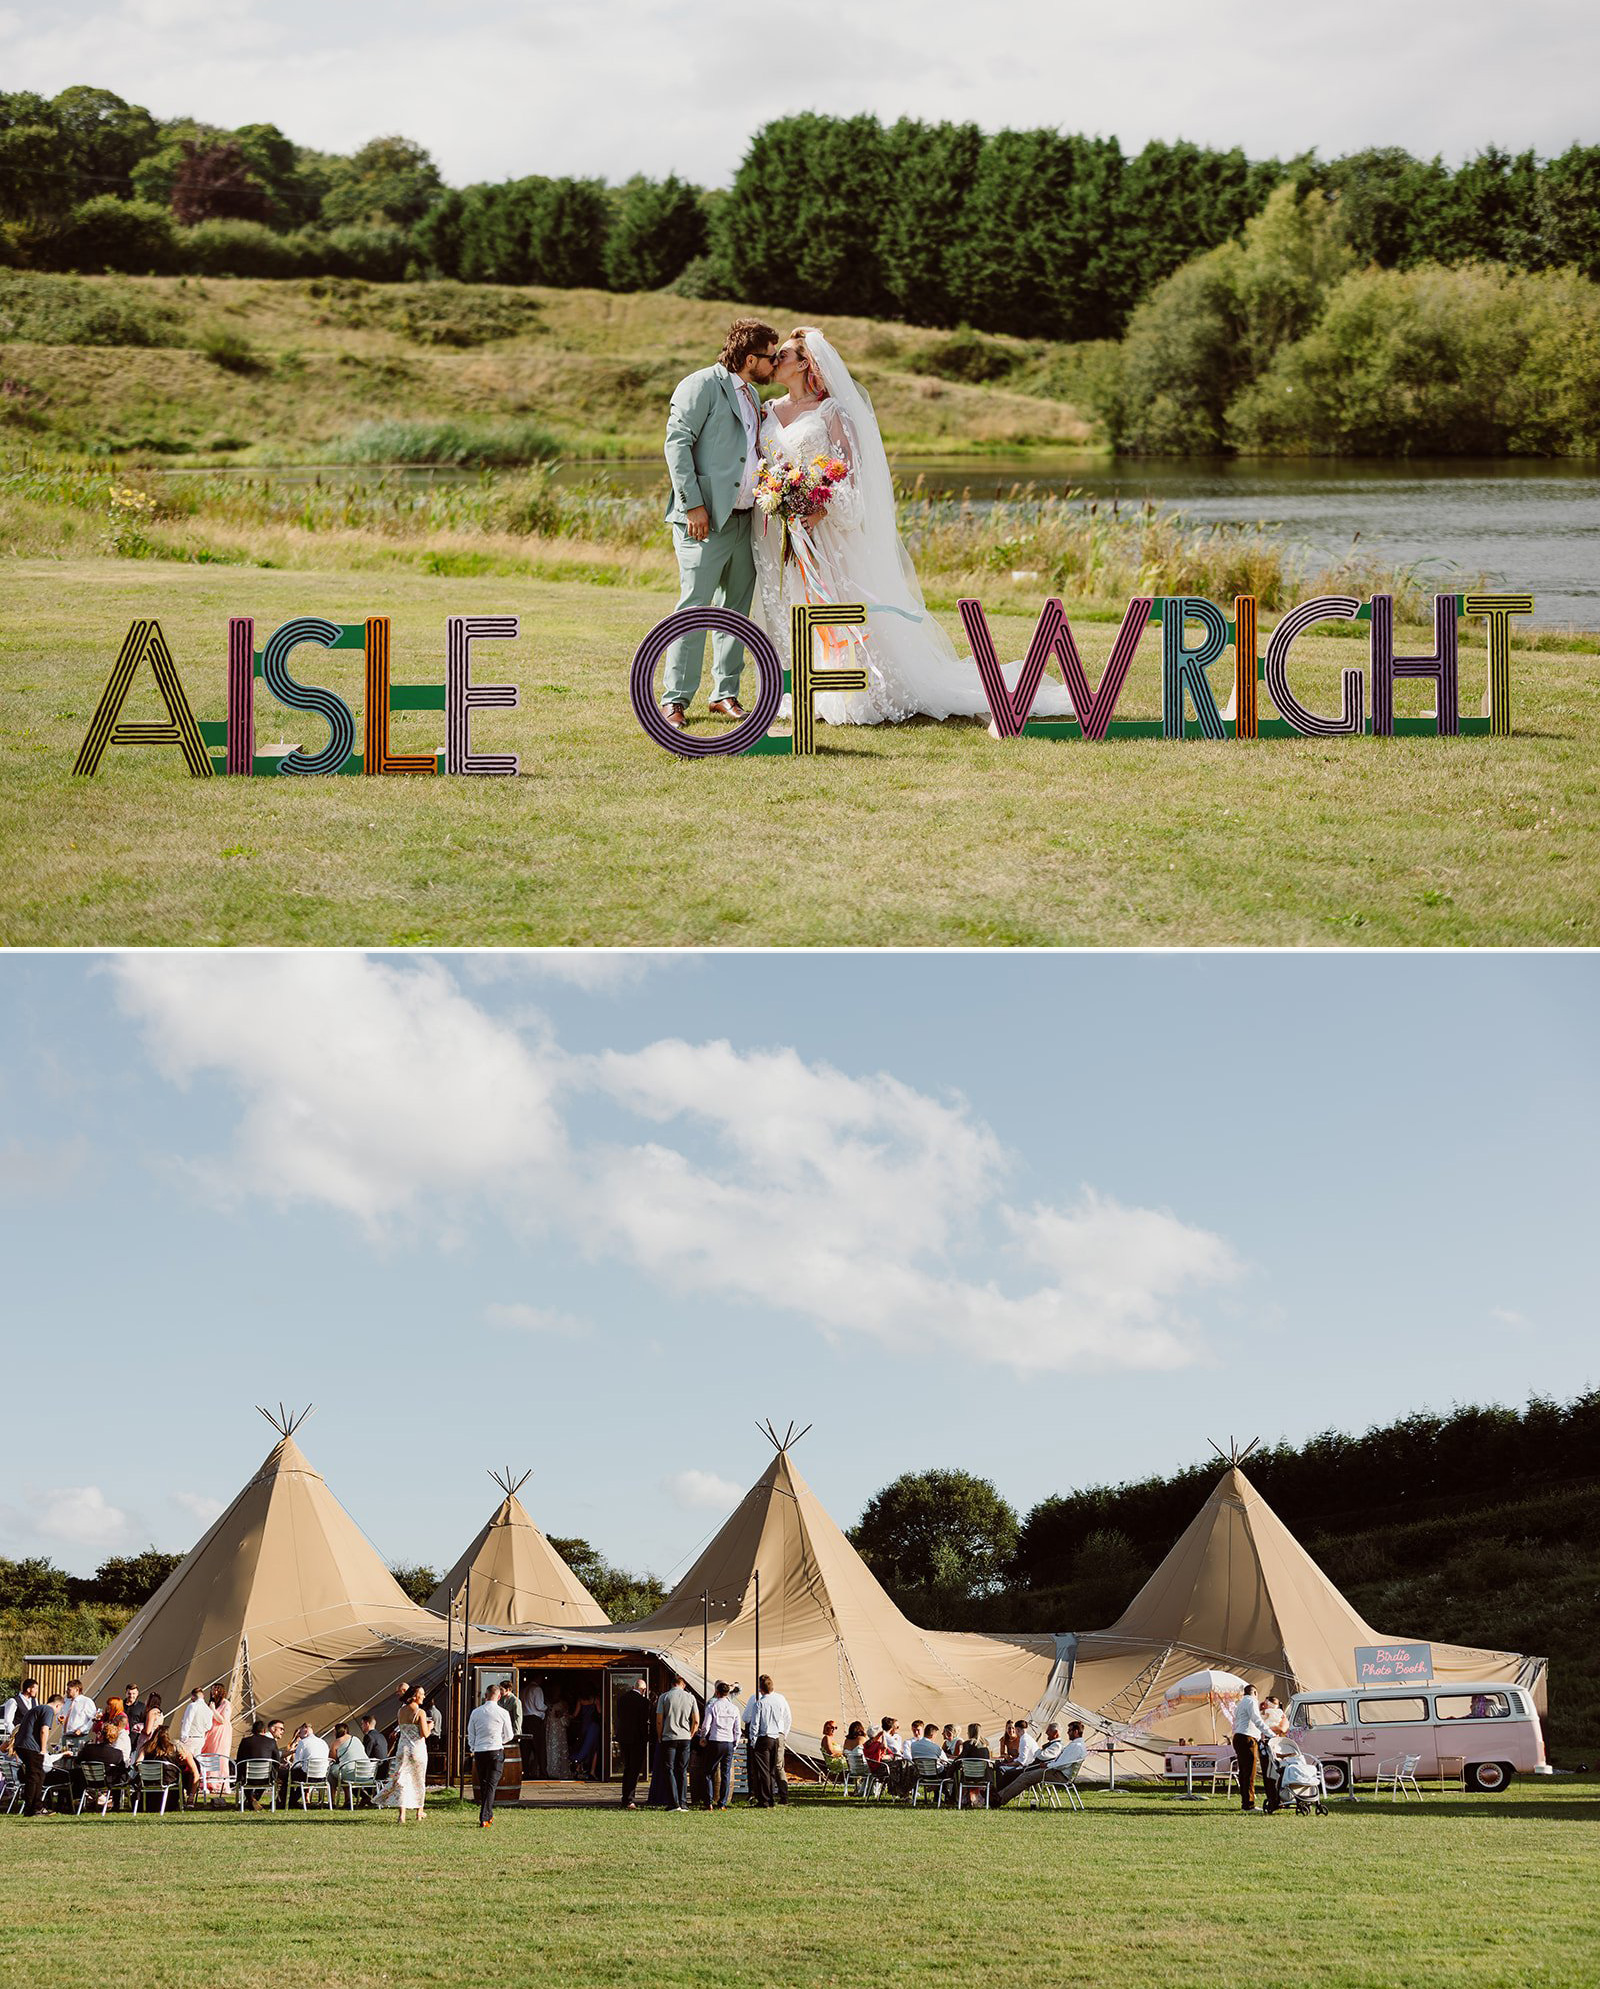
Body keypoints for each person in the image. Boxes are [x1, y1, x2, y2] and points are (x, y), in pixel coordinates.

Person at [751, 326, 1076, 729]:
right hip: (785, 531)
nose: (774, 360)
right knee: (802, 606)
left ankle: (863, 688)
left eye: (782, 354)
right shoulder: (767, 410)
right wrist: (780, 499)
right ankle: (817, 685)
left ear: (804, 363)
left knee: (840, 603)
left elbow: (848, 476)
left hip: (829, 530)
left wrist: (816, 508)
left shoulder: (832, 412)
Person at [659, 317, 782, 728]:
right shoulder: (702, 385)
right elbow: (677, 445)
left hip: (748, 520)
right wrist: (693, 505)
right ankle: (674, 700)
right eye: (770, 358)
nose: (775, 364)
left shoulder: (753, 398)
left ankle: (724, 694)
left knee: (736, 612)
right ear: (750, 359)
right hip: (704, 520)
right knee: (694, 608)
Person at [995, 1721, 1085, 1806]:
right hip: (1056, 1771)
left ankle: (999, 1799)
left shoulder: (1075, 1746)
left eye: (1069, 1730)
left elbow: (1062, 1765)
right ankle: (999, 1796)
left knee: (1025, 1776)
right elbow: (1061, 1762)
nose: (1068, 1732)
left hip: (1059, 1775)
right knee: (1024, 1775)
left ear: (1076, 1732)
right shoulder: (1077, 1745)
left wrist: (1047, 1764)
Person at [466, 1683, 514, 1828]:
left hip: (480, 1751)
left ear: (485, 1696)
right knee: (491, 1785)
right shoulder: (503, 1713)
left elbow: (471, 1733)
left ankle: (488, 1814)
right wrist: (500, 1741)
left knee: (484, 1784)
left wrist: (473, 1747)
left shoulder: (476, 1712)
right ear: (499, 1696)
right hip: (495, 1750)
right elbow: (509, 1735)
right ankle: (484, 1816)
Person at [745, 1673, 793, 1808]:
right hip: (776, 1736)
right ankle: (772, 1796)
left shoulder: (759, 1703)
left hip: (763, 1737)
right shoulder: (779, 1700)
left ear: (760, 1689)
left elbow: (754, 1723)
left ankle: (765, 1799)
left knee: (763, 1770)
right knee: (773, 1769)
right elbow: (787, 1718)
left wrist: (753, 1741)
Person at [382, 1685, 430, 1821]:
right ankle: (419, 1811)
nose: (424, 1696)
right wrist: (430, 1726)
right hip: (417, 1749)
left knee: (402, 1780)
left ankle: (401, 1815)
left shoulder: (400, 1711)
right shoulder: (420, 1712)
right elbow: (424, 1734)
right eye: (422, 1694)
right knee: (419, 1780)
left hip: (403, 1749)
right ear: (415, 1696)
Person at [655, 1674, 698, 1812]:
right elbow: (696, 1720)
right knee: (683, 1770)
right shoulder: (690, 1697)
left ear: (672, 1684)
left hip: (669, 1736)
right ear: (683, 1684)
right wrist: (691, 1733)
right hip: (685, 1737)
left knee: (669, 1769)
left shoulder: (664, 1697)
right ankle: (683, 1801)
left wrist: (660, 1735)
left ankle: (674, 1803)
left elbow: (659, 1719)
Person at [15, 1692, 62, 1816]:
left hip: (21, 1745)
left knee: (37, 1775)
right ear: (57, 1705)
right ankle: (33, 1808)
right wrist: (43, 1749)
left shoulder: (36, 1708)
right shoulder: (48, 1710)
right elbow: (44, 1730)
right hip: (31, 1747)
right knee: (35, 1776)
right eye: (60, 1709)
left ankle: (35, 1806)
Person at [698, 1680, 742, 1810]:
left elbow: (706, 1725)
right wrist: (735, 1743)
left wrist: (703, 1737)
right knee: (725, 1773)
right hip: (728, 1742)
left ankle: (709, 1801)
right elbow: (738, 1729)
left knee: (708, 1772)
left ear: (717, 1692)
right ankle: (722, 1803)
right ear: (727, 1693)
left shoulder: (713, 1706)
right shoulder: (734, 1708)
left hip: (715, 1741)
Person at [74, 1717, 131, 1811]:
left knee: (75, 1773)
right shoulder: (117, 1753)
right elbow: (122, 1768)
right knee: (120, 1774)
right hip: (108, 1782)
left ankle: (75, 1800)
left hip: (88, 1781)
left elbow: (77, 1761)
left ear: (100, 1736)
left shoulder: (88, 1749)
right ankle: (116, 1804)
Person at [1232, 1683, 1272, 1813]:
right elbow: (1257, 1720)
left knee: (1243, 1772)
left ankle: (1245, 1802)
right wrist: (1271, 1734)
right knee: (1250, 1772)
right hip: (1247, 1738)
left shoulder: (1240, 1704)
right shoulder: (1251, 1701)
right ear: (1254, 1693)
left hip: (1238, 1736)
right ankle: (1249, 1805)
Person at [616, 1676, 653, 1809]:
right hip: (637, 1739)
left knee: (627, 1768)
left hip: (624, 1737)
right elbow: (643, 1722)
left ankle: (625, 1797)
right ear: (643, 1690)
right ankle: (629, 1799)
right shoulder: (643, 1702)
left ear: (633, 1687)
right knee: (635, 1770)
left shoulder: (621, 1699)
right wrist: (647, 1737)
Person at [235, 1719, 281, 1808]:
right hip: (265, 1777)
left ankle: (251, 1799)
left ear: (252, 1730)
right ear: (264, 1730)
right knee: (269, 1773)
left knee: (242, 1773)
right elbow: (277, 1760)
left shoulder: (245, 1741)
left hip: (248, 1777)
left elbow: (239, 1759)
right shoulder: (271, 1742)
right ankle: (253, 1799)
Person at [521, 1676, 547, 1778]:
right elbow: (539, 1706)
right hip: (535, 1720)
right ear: (539, 1679)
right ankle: (543, 1773)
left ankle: (525, 1773)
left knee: (526, 1749)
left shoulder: (523, 1690)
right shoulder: (537, 1689)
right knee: (540, 1747)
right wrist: (547, 1707)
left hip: (525, 1720)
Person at [571, 1694, 602, 1779]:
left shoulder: (580, 1699)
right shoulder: (596, 1699)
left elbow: (575, 1714)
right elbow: (599, 1712)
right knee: (595, 1748)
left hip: (584, 1725)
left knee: (582, 1745)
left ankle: (578, 1767)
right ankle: (592, 1771)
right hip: (593, 1726)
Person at [61, 1679, 97, 1744]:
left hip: (79, 1737)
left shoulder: (86, 1701)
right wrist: (59, 1719)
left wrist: (81, 1730)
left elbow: (93, 1719)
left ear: (77, 1690)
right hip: (66, 1736)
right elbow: (60, 1715)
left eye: (69, 1689)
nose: (67, 1691)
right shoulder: (65, 1701)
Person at [178, 1686, 211, 1759]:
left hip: (190, 1738)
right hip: (200, 1739)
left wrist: (183, 1737)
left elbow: (187, 1721)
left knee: (187, 1760)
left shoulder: (192, 1706)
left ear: (193, 1696)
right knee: (198, 1760)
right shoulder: (208, 1710)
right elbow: (209, 1726)